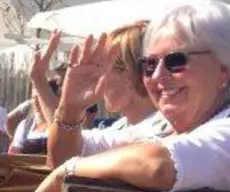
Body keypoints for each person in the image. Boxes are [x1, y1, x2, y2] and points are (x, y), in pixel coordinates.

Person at [28, 0, 230, 192]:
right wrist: (70, 109)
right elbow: (64, 156)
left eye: (176, 61)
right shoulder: (164, 130)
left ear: (223, 69)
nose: (157, 77)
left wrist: (68, 172)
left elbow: (157, 166)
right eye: (150, 64)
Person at [46, 22, 162, 168]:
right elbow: (59, 161)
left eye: (101, 67)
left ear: (129, 72)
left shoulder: (162, 129)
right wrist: (70, 108)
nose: (96, 78)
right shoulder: (122, 127)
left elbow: (62, 163)